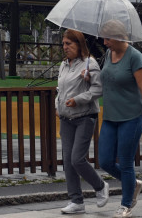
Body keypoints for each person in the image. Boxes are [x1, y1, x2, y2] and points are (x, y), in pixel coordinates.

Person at [97, 20, 142, 218]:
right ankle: (133, 183)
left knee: (125, 162)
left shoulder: (135, 57)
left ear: (118, 37)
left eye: (107, 38)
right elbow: (107, 79)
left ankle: (126, 204)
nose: (104, 42)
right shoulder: (109, 53)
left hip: (132, 117)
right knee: (105, 160)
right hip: (110, 116)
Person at [56, 29, 109, 214]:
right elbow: (59, 89)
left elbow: (98, 89)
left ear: (79, 45)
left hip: (85, 117)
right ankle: (76, 201)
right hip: (66, 118)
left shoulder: (90, 63)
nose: (65, 47)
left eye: (69, 44)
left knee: (77, 159)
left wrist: (78, 99)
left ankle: (100, 186)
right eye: (63, 44)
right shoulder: (64, 65)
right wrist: (58, 105)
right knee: (68, 162)